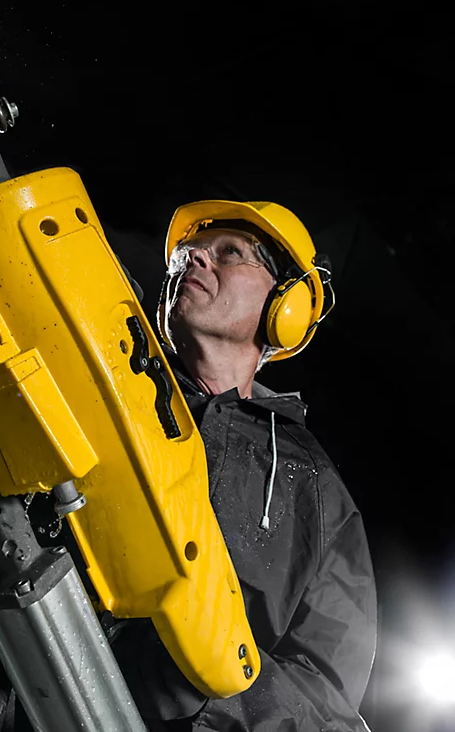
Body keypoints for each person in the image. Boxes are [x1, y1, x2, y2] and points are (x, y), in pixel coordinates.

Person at [111, 199, 377, 731]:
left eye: (228, 253)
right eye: (185, 255)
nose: (193, 261)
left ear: (286, 307)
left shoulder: (315, 488)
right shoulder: (113, 388)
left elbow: (325, 687)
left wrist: (200, 692)